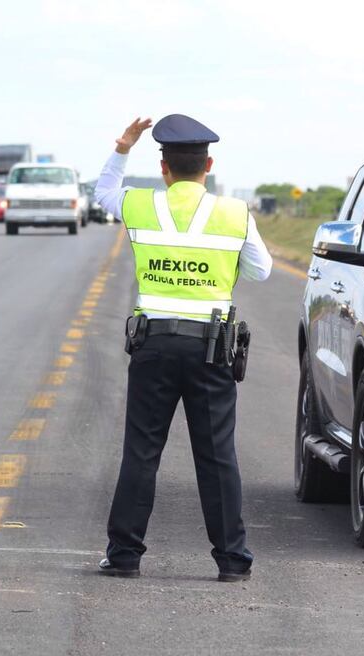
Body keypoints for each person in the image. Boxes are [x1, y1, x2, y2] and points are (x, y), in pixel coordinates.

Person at [93, 114, 272, 582]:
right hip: (210, 349)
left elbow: (103, 193)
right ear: (207, 165)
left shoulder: (139, 204)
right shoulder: (234, 214)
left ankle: (125, 556)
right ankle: (233, 561)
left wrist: (121, 147)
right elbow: (261, 270)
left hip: (153, 345)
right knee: (217, 457)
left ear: (164, 167)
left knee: (141, 452)